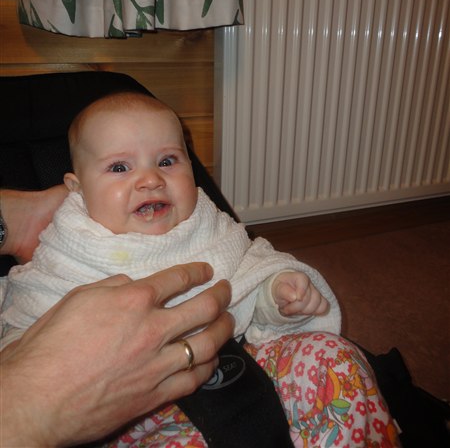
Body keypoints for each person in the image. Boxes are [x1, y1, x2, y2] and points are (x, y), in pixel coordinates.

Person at [1, 93, 400, 447]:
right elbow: (25, 335)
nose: (150, 179)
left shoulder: (207, 225)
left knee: (335, 357)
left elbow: (247, 275)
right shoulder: (68, 249)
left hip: (242, 366)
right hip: (130, 418)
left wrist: (276, 293)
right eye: (120, 167)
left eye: (167, 161)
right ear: (77, 188)